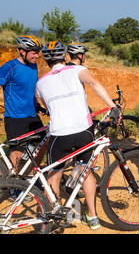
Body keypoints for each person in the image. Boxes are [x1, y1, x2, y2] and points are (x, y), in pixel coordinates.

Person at [36, 41, 121, 230]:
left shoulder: (41, 83)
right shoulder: (77, 70)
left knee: (54, 176)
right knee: (85, 170)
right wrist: (112, 106)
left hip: (59, 134)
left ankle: (54, 219)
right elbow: (94, 83)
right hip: (83, 131)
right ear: (65, 57)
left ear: (46, 61)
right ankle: (92, 217)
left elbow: (49, 108)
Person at [0, 35, 47, 170]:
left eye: (38, 52)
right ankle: (13, 185)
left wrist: (37, 104)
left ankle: (30, 174)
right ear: (22, 51)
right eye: (34, 52)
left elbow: (31, 88)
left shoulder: (33, 66)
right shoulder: (10, 67)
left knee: (42, 144)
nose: (37, 56)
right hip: (15, 118)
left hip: (32, 116)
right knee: (17, 152)